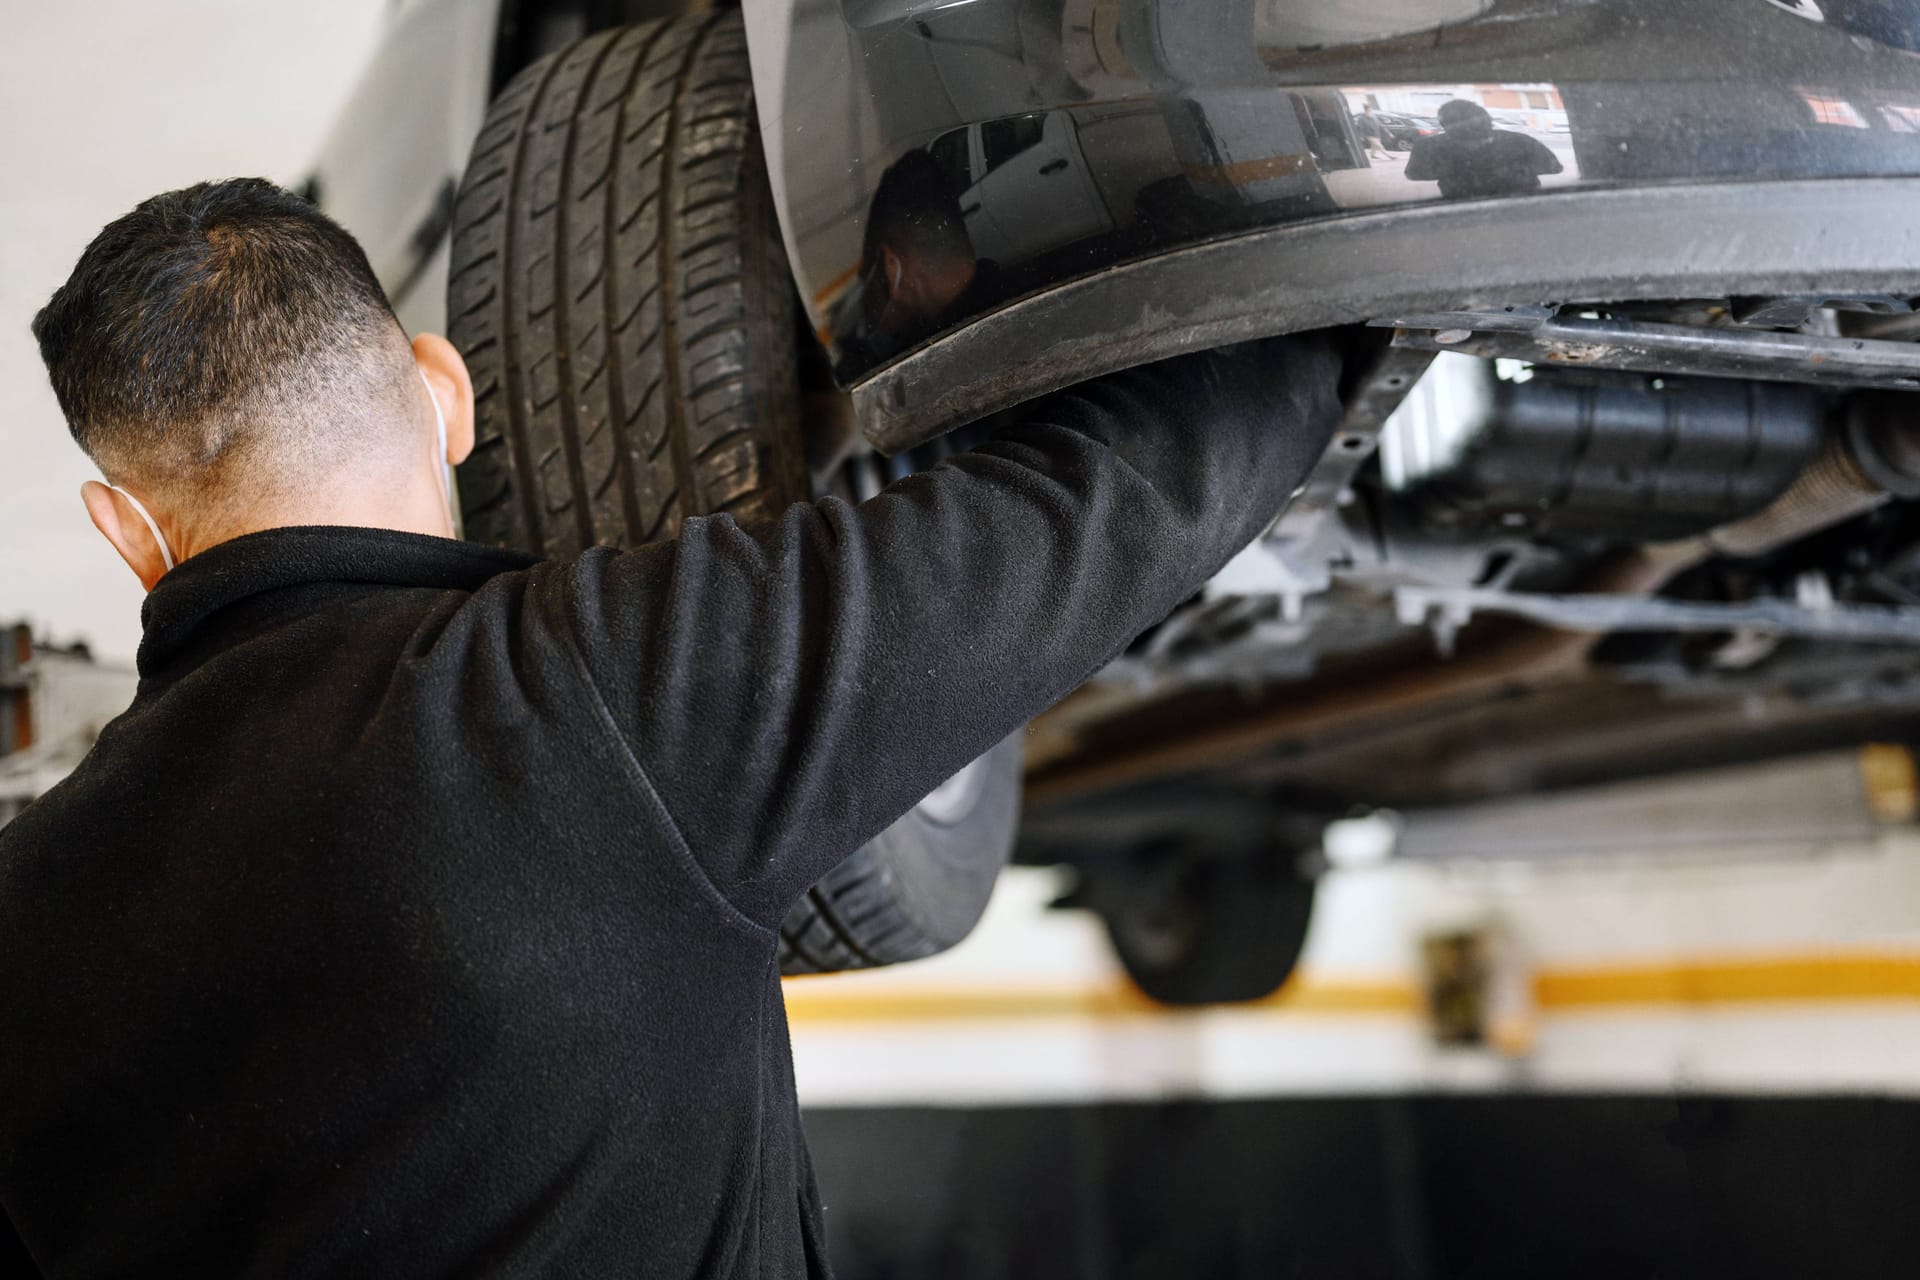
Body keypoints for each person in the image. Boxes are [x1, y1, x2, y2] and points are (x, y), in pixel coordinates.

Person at [0, 178, 1340, 1275]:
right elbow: (1138, 484)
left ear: (126, 531)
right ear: (445, 392)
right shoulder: (573, 707)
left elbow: (1125, 495)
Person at [1404, 98, 1564, 199]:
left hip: (1464, 210)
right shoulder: (1520, 141)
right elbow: (1553, 167)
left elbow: (1554, 168)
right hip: (1520, 206)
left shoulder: (1428, 147)